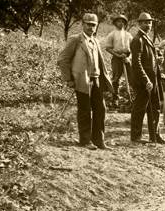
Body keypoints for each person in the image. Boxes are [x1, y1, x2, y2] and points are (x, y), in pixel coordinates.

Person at [56, 12, 113, 149]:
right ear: (83, 24)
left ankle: (99, 140)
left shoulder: (96, 41)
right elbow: (62, 59)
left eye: (94, 25)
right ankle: (85, 140)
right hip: (82, 80)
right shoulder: (76, 39)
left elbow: (100, 62)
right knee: (85, 110)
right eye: (88, 24)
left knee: (100, 109)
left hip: (96, 79)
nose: (91, 27)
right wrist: (68, 79)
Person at [129, 13, 165, 145]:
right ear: (139, 24)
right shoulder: (137, 40)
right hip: (143, 82)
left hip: (153, 81)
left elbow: (148, 60)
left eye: (150, 22)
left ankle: (155, 136)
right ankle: (135, 137)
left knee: (155, 108)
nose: (148, 25)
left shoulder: (147, 38)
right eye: (145, 22)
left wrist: (158, 61)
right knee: (139, 108)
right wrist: (146, 80)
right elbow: (136, 63)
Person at [101, 15, 132, 109]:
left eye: (123, 22)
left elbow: (133, 49)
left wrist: (128, 57)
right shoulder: (112, 34)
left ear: (125, 23)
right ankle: (115, 99)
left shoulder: (128, 35)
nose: (121, 23)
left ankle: (131, 98)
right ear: (115, 23)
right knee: (116, 78)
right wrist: (118, 55)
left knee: (132, 77)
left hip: (126, 58)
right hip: (117, 58)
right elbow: (108, 48)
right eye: (118, 21)